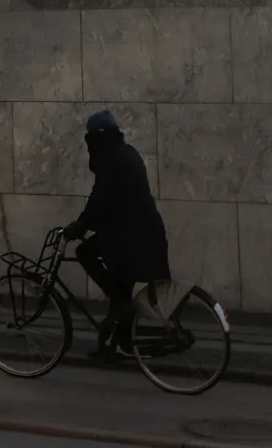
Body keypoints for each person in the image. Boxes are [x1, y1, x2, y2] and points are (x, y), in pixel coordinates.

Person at [64, 109, 169, 359]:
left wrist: (80, 226)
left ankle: (122, 313)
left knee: (85, 251)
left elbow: (100, 198)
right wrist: (87, 223)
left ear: (98, 138)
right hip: (142, 233)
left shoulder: (111, 158)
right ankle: (120, 344)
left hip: (132, 236)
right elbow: (111, 200)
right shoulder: (125, 152)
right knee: (120, 286)